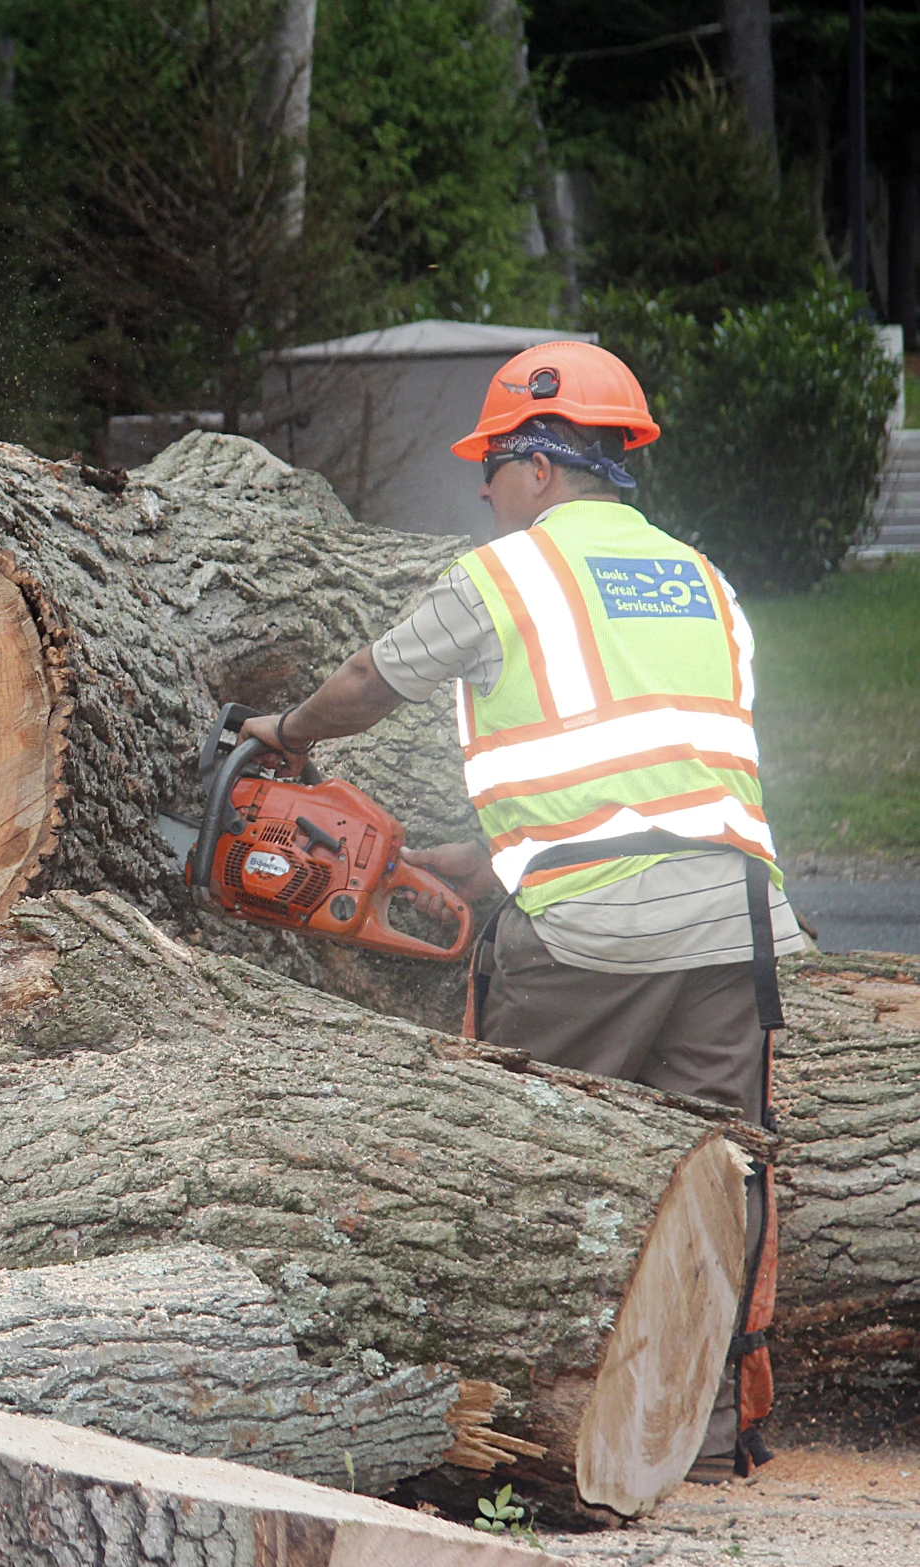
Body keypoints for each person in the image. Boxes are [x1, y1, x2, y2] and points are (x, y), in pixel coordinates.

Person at [238, 340, 800, 1481]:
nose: (483, 490)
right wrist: (459, 861)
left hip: (588, 939)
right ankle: (704, 1426)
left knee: (525, 1177)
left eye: (487, 466)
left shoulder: (508, 576)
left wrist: (283, 735)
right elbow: (643, 788)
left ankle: (496, 1429)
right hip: (734, 924)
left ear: (536, 464)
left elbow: (365, 682)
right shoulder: (704, 581)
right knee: (714, 1182)